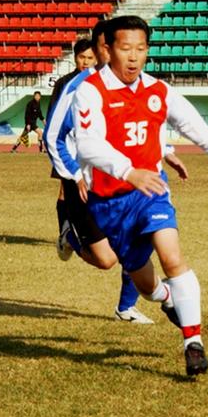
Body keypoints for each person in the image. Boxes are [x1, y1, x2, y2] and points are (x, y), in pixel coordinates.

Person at [74, 15, 208, 376]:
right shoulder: (91, 90)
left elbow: (189, 121)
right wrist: (128, 171)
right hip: (110, 201)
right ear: (108, 49)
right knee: (146, 285)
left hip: (152, 190)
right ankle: (168, 299)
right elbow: (87, 143)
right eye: (126, 48)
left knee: (172, 257)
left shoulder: (158, 90)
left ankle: (193, 343)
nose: (133, 57)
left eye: (141, 49)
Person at [43, 20, 188, 324]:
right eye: (109, 49)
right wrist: (75, 175)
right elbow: (54, 137)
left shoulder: (132, 84)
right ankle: (70, 237)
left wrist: (166, 151)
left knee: (140, 238)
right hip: (87, 184)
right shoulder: (77, 88)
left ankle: (127, 307)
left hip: (129, 181)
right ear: (102, 48)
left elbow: (142, 126)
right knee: (106, 259)